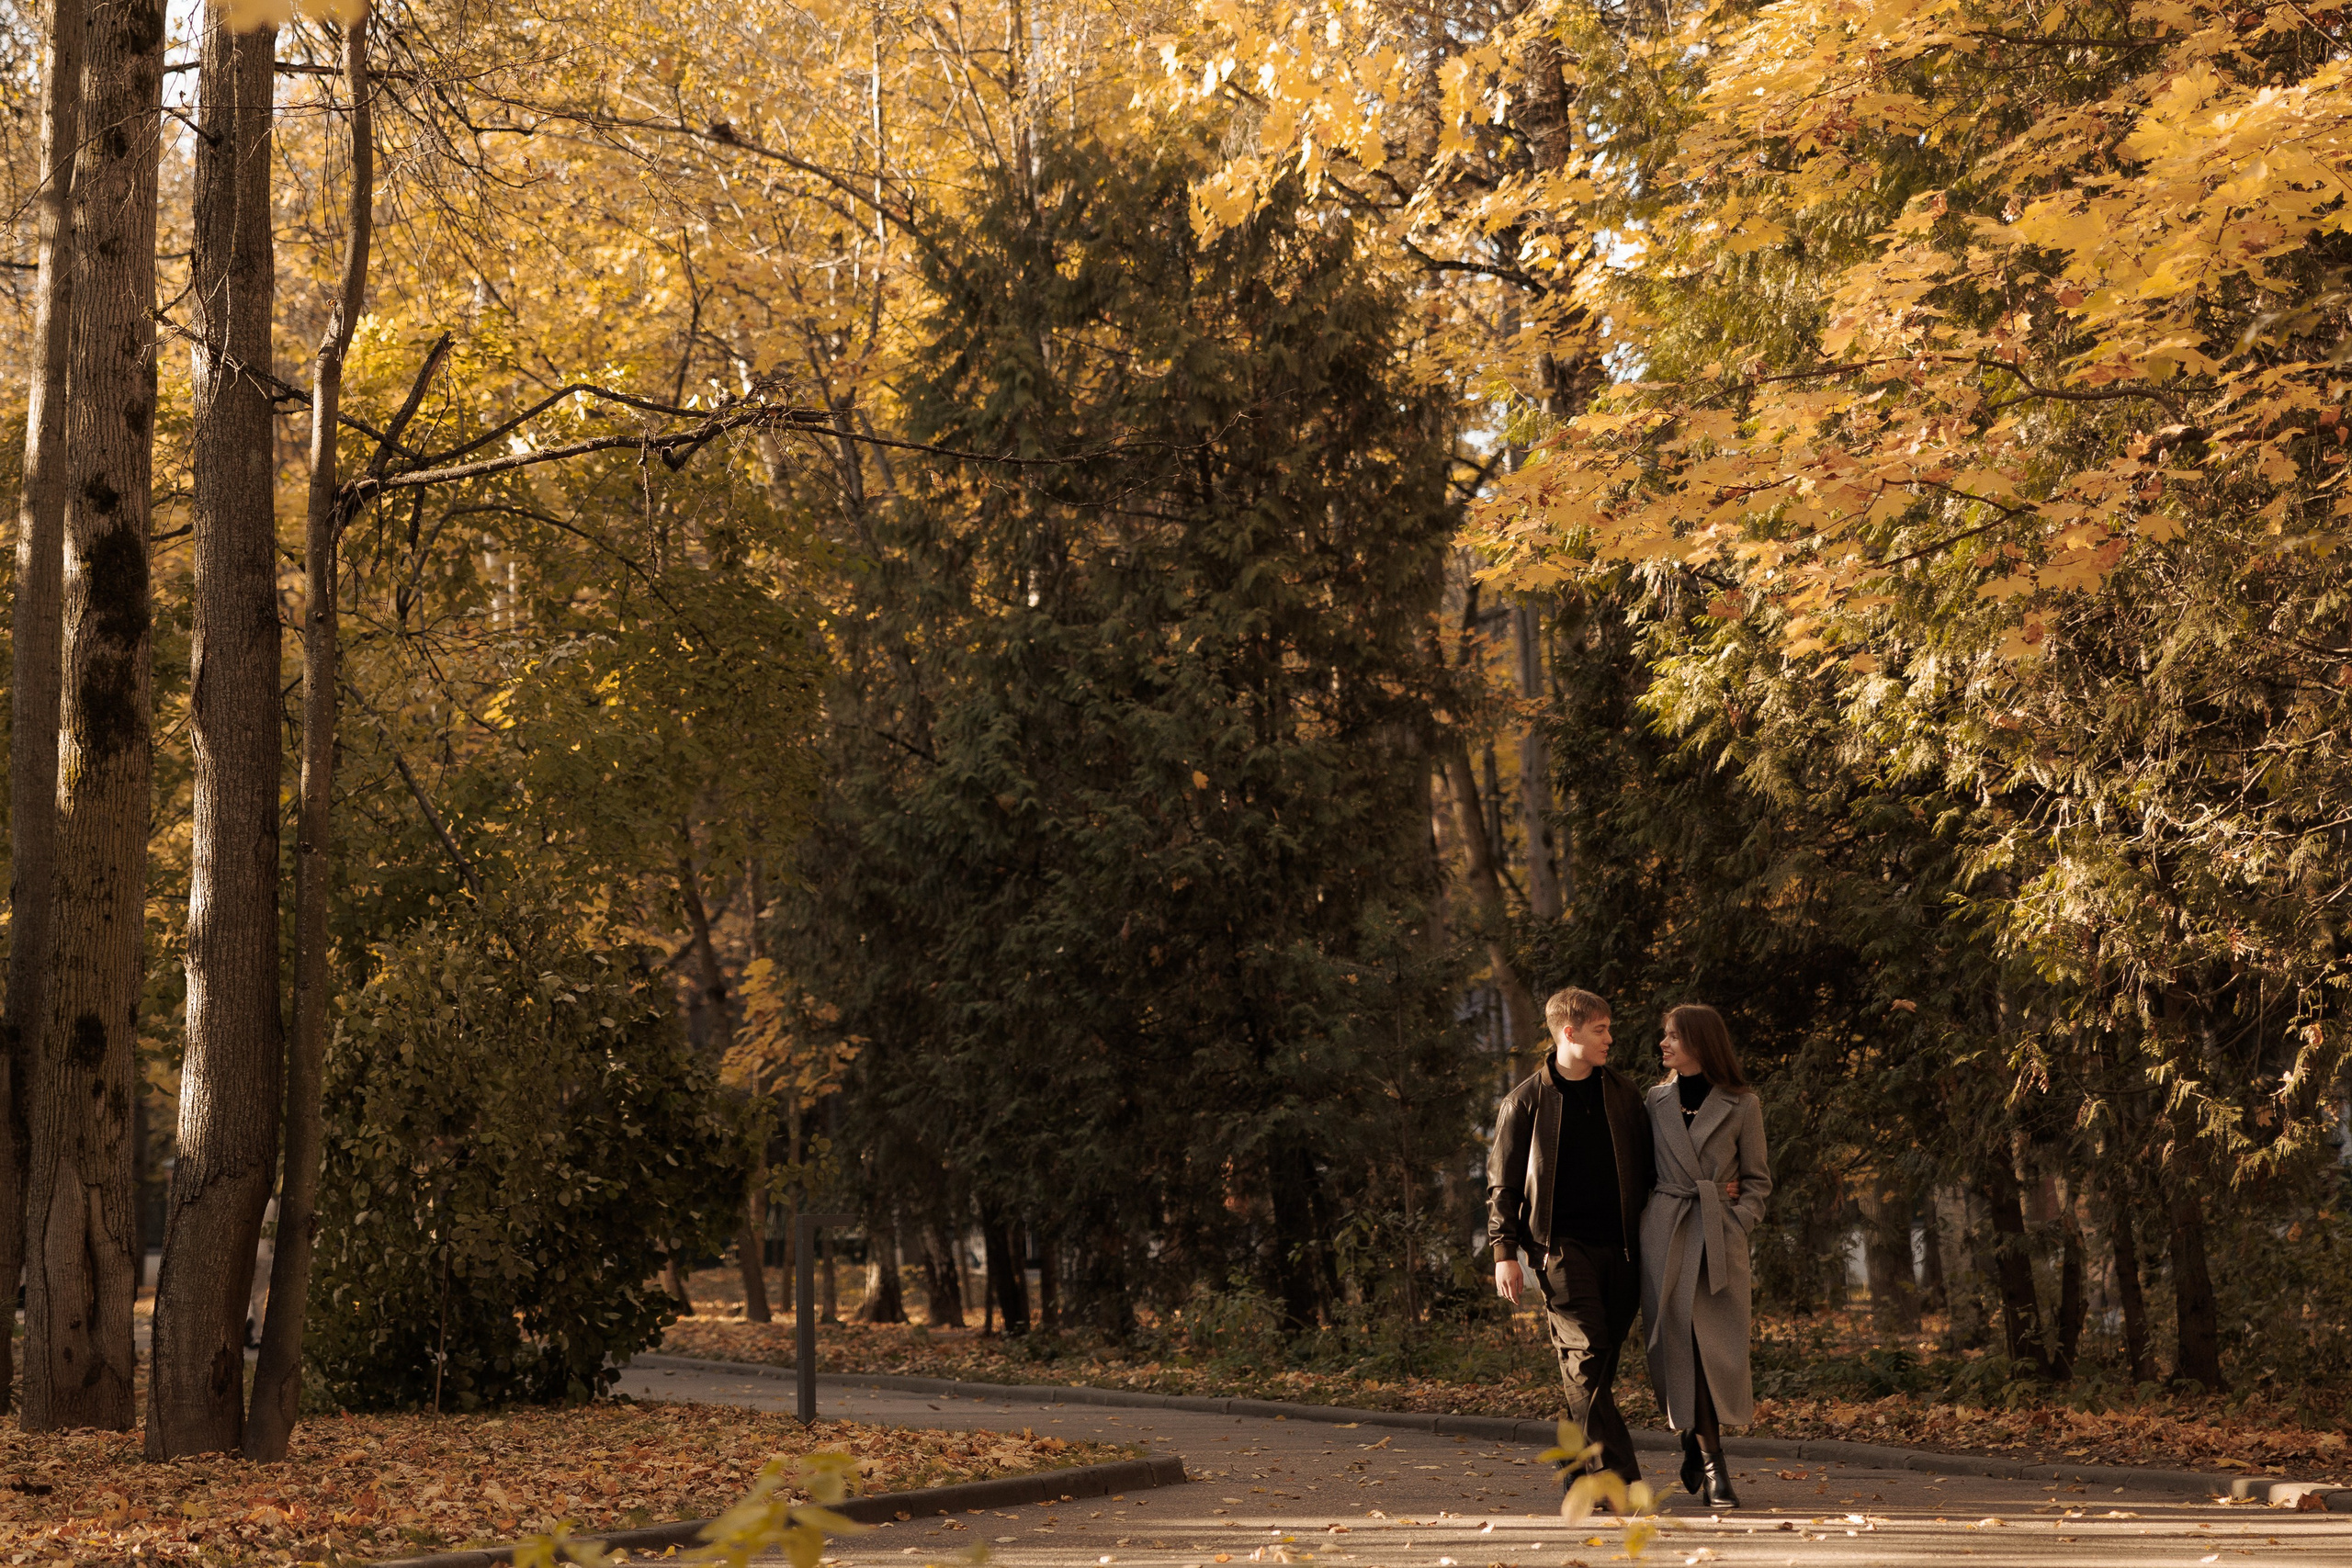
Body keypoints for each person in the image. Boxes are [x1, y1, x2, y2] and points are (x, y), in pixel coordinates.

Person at [1487, 987, 1657, 1492]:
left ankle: (1577, 1471)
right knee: (1586, 1352)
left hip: (1624, 1248)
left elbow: (1654, 1168)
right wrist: (1505, 1253)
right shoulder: (1526, 1102)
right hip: (1558, 1247)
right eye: (1600, 1030)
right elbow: (1504, 1184)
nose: (1610, 1039)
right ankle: (1621, 1480)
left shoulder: (1624, 1095)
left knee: (1595, 1365)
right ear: (1569, 1033)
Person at [1640, 1003, 1772, 1510]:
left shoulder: (1743, 1105)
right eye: (1665, 1036)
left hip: (1718, 1241)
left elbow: (1758, 1180)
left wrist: (1736, 1219)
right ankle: (1708, 1459)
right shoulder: (1653, 1102)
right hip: (1667, 1237)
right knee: (1678, 1350)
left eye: (1673, 1036)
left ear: (1700, 1042)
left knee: (1715, 1352)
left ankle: (1704, 1453)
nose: (1664, 1044)